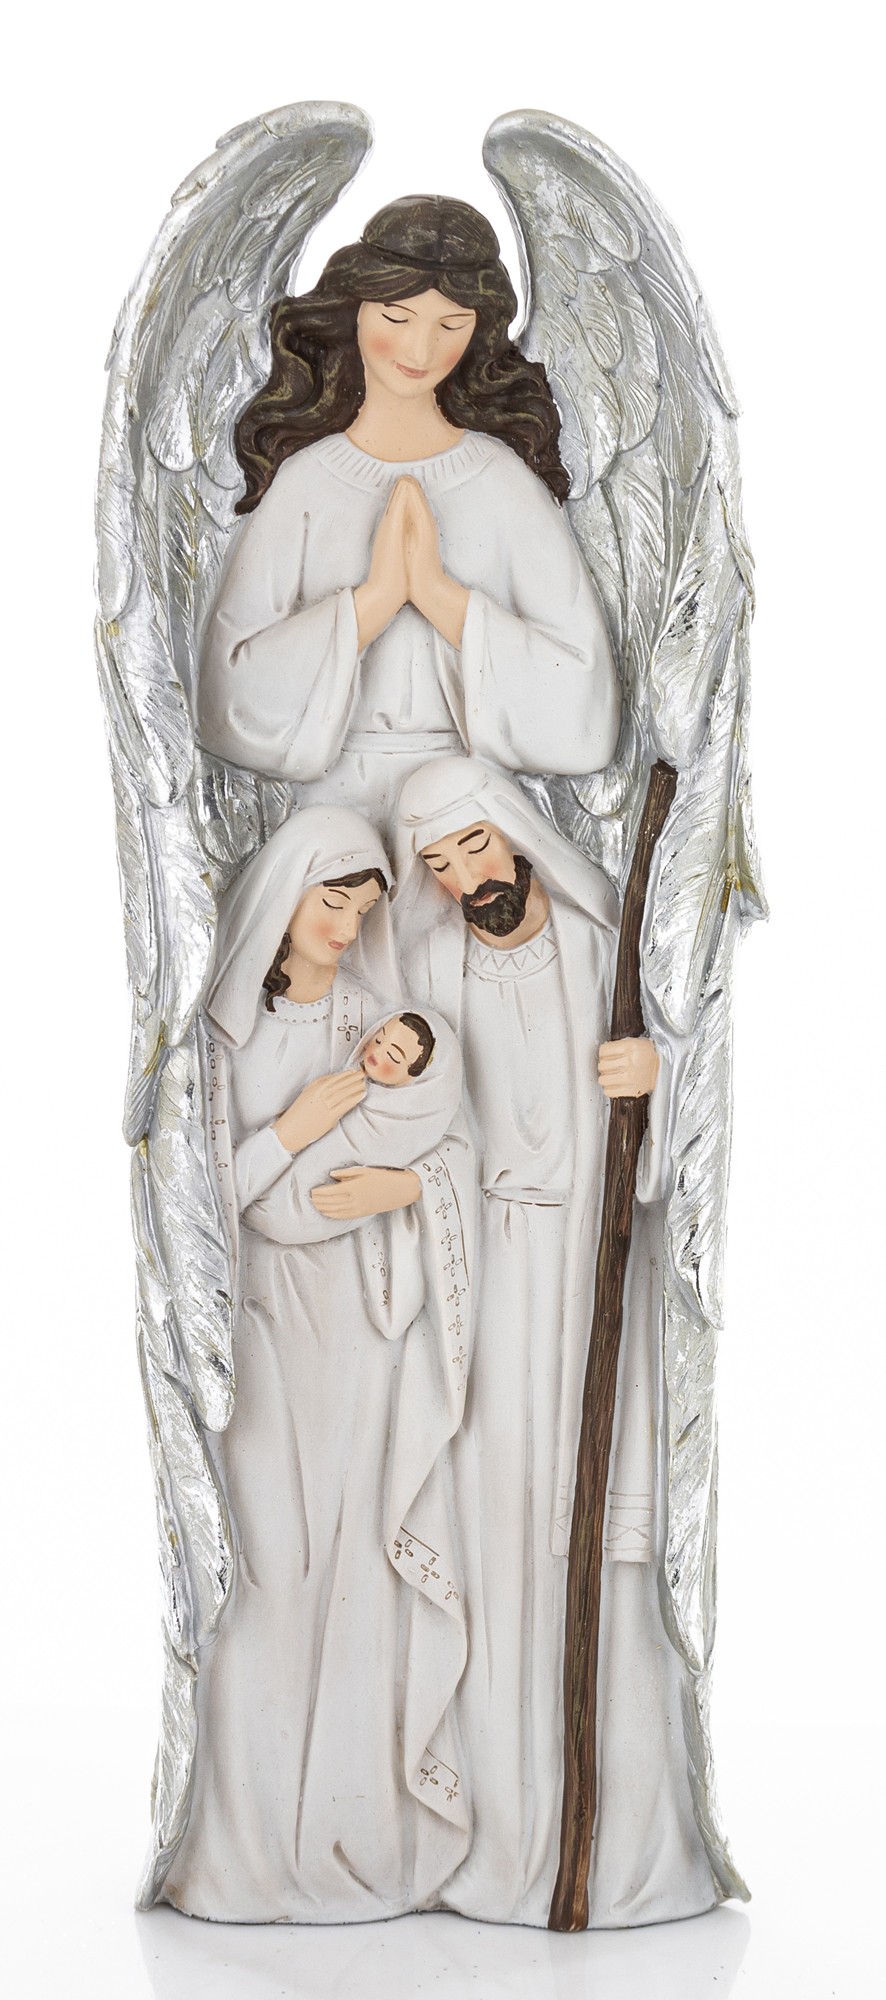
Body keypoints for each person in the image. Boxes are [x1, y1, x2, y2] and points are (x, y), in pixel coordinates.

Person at [393, 757, 720, 1929]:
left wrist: (655, 1081)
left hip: (590, 1269)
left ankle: (618, 1839)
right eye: (438, 864)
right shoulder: (432, 969)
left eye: (473, 846)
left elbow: (688, 1136)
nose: (462, 878)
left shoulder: (596, 953)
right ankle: (506, 1839)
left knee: (591, 1536)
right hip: (486, 1280)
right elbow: (417, 1118)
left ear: (518, 834)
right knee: (497, 1532)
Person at [162, 807, 475, 1923]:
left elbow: (447, 1137)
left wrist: (412, 1184)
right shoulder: (226, 1034)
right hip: (262, 1322)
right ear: (286, 893)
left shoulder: (373, 1022)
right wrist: (292, 1131)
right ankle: (246, 1844)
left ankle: (352, 1826)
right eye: (330, 900)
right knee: (269, 1566)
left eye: (363, 907)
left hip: (358, 1317)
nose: (347, 927)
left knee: (352, 1558)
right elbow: (197, 1191)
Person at [195, 196, 620, 836]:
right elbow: (228, 697)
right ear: (354, 310)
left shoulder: (502, 480)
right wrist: (375, 601)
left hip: (470, 822)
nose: (421, 347)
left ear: (478, 332)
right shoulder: (307, 481)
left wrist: (439, 596)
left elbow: (584, 706)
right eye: (398, 316)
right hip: (335, 825)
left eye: (451, 324)